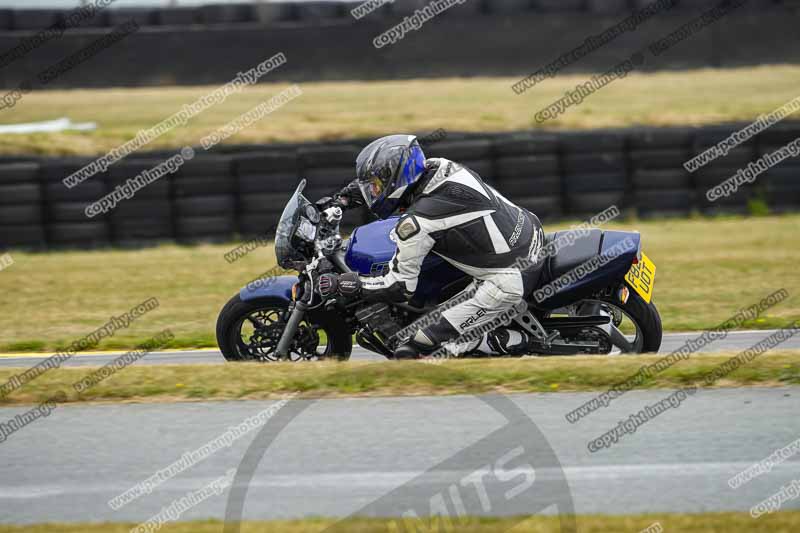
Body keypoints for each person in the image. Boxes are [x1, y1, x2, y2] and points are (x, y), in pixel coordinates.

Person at [320, 134, 546, 358]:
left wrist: (349, 283)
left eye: (377, 187)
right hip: (531, 233)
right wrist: (343, 199)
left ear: (397, 178)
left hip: (507, 279)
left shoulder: (418, 222)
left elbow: (399, 287)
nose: (374, 193)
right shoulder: (441, 166)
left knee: (415, 346)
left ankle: (507, 341)